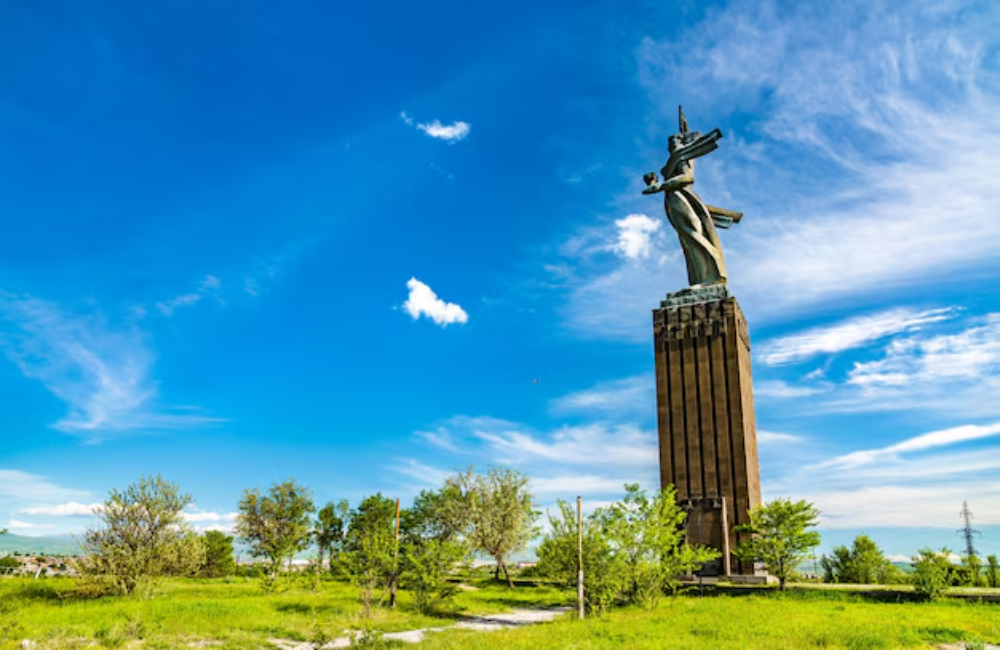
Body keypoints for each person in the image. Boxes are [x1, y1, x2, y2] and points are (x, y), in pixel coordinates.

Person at [643, 133, 728, 288]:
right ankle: (700, 280)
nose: (670, 147)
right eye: (670, 144)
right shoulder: (676, 157)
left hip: (681, 198)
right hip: (672, 200)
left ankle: (712, 275)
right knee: (687, 241)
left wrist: (661, 185)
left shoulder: (681, 156)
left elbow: (688, 177)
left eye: (673, 142)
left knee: (694, 234)